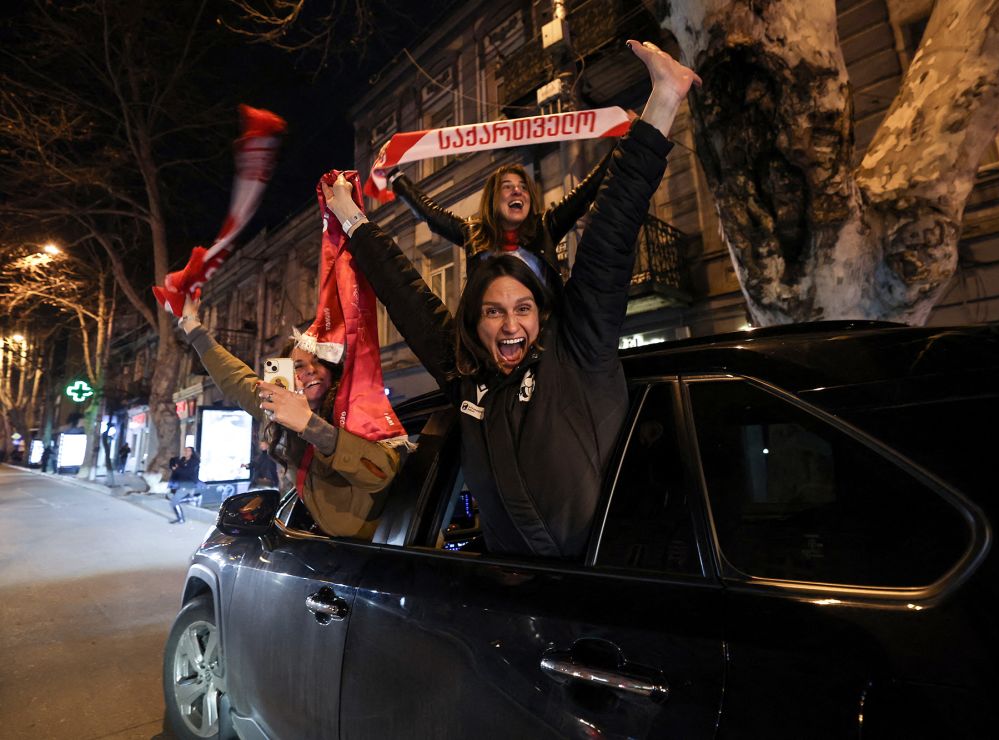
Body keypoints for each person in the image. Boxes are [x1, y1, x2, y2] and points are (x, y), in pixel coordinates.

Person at [325, 40, 699, 558]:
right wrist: (351, 217)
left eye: (522, 309)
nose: (509, 326)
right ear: (473, 324)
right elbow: (404, 292)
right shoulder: (462, 373)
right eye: (493, 312)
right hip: (507, 601)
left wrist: (663, 99)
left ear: (542, 314)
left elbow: (611, 228)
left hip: (602, 591)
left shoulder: (579, 350)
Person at [174, 296, 403, 538]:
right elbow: (234, 377)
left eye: (319, 362)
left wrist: (311, 425)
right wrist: (191, 324)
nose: (311, 370)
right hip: (322, 541)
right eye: (298, 366)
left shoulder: (355, 410)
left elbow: (381, 474)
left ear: (332, 368)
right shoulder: (278, 410)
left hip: (373, 547)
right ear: (286, 375)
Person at [389, 145, 613, 287]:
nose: (518, 191)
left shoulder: (546, 226)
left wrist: (630, 140)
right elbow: (430, 213)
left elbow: (587, 190)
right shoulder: (472, 233)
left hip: (543, 345)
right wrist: (395, 178)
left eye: (523, 187)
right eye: (508, 187)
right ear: (493, 199)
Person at [168, 446, 200, 524]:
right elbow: (176, 469)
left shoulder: (194, 462)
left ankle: (181, 519)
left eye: (188, 451)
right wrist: (175, 468)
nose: (186, 452)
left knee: (174, 501)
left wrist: (178, 469)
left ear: (192, 453)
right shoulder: (182, 460)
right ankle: (193, 498)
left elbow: (187, 473)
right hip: (181, 483)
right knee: (172, 499)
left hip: (188, 484)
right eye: (185, 450)